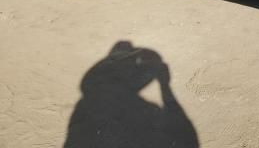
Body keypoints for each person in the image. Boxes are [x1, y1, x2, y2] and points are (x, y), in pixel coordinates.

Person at [64, 41, 199, 148]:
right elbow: (187, 141)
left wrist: (165, 88)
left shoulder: (89, 105)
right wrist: (165, 88)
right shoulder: (92, 104)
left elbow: (186, 142)